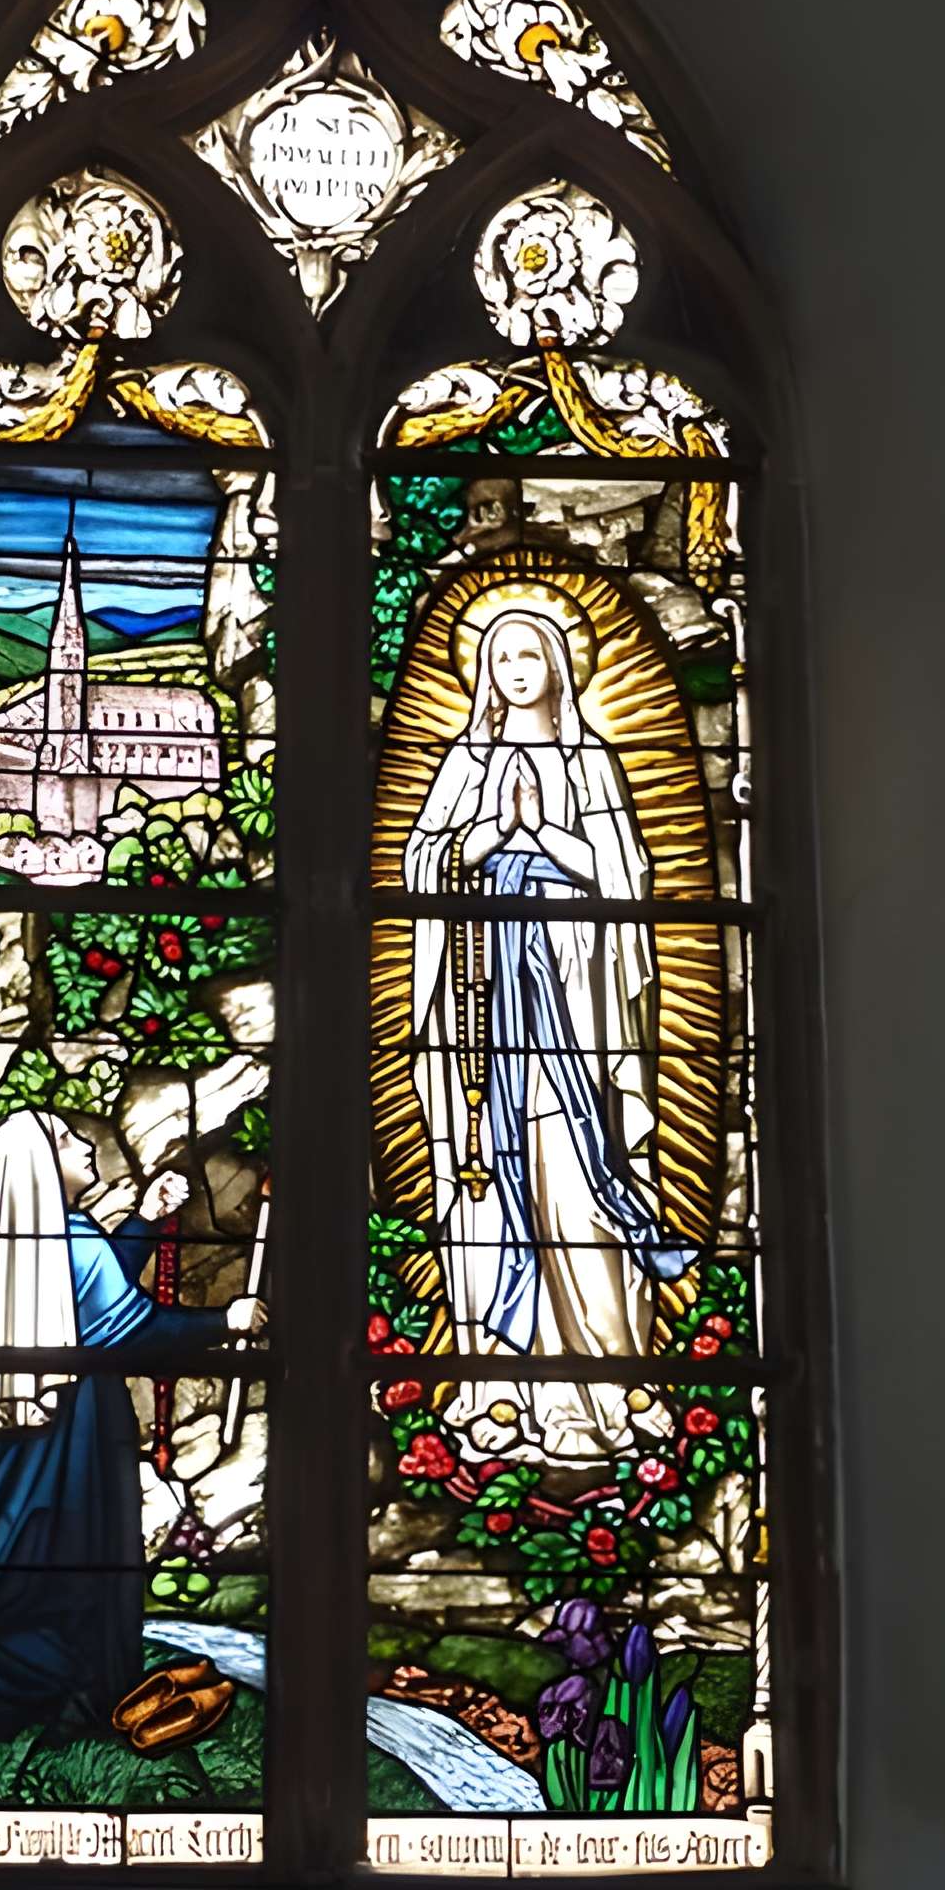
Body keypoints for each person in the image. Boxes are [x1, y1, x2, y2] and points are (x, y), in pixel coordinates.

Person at [0, 1110, 265, 1756]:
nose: (85, 1143)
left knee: (17, 1545)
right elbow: (132, 1330)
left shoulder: (45, 1238)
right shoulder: (72, 1239)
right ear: (37, 1168)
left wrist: (143, 1217)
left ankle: (76, 1681)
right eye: (64, 1139)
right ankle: (76, 1689)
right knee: (83, 1556)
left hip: (45, 1425)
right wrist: (227, 1317)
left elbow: (90, 1296)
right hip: (80, 1427)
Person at [404, 602, 694, 1462]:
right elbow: (425, 864)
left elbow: (626, 874)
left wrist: (548, 840)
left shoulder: (592, 759)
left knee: (577, 1187)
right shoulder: (465, 760)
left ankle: (607, 1383)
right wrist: (492, 832)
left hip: (574, 1004)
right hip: (484, 1016)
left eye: (532, 655)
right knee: (491, 1188)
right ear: (483, 673)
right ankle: (499, 1385)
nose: (517, 670)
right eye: (502, 657)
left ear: (560, 667)